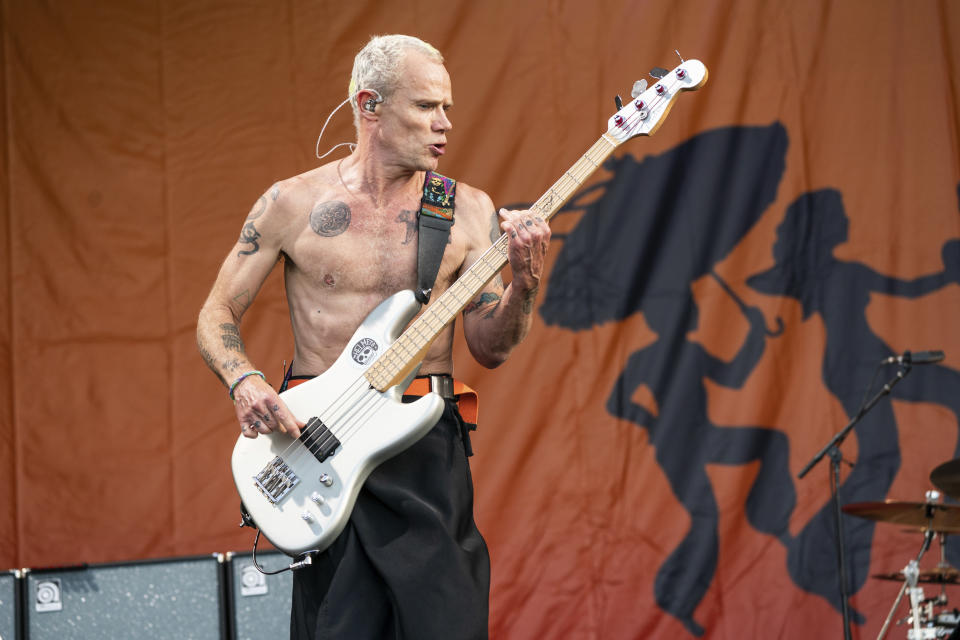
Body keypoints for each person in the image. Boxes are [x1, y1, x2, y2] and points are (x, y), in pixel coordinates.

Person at [196, 34, 550, 639]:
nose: (444, 125)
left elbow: (491, 346)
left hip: (424, 450)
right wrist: (244, 380)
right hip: (317, 447)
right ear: (370, 105)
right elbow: (217, 312)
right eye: (426, 107)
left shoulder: (466, 211)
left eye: (448, 109)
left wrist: (526, 279)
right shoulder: (292, 203)